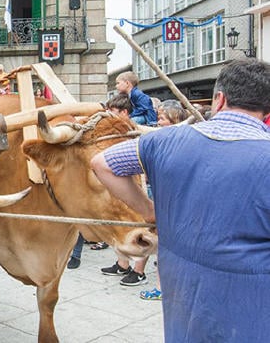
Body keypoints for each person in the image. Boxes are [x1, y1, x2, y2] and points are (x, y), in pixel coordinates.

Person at [91, 59, 270, 342]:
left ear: (219, 99)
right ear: (267, 112)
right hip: (252, 312)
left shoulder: (163, 142)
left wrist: (150, 212)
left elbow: (102, 163)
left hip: (182, 299)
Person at [97, 93, 149, 286]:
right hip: (119, 186)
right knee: (119, 224)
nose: (108, 116)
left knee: (141, 227)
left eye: (112, 112)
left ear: (124, 112)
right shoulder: (112, 132)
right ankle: (122, 264)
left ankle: (139, 271)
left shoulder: (133, 131)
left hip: (136, 185)